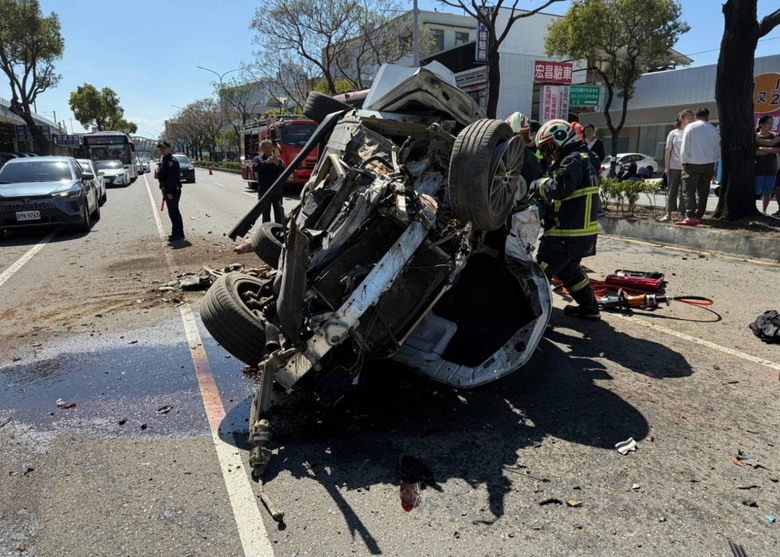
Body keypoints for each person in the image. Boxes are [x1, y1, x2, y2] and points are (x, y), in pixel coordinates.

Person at [531, 119, 602, 319]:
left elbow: (559, 189)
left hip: (566, 233)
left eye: (550, 147)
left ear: (562, 138)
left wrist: (539, 184)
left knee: (539, 273)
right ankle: (590, 308)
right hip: (581, 233)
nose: (549, 152)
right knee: (569, 271)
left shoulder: (572, 160)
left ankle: (531, 317)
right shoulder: (585, 158)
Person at [677, 107, 720, 226]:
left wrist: (683, 161)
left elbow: (685, 146)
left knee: (688, 190)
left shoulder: (691, 127)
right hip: (709, 164)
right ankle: (699, 215)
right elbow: (717, 149)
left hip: (693, 163)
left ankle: (690, 216)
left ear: (696, 116)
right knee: (703, 191)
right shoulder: (713, 129)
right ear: (707, 116)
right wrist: (714, 164)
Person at [157, 141, 184, 242]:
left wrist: (169, 192)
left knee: (173, 213)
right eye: (161, 149)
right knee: (174, 212)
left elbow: (172, 178)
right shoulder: (165, 160)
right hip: (168, 189)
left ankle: (176, 234)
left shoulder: (171, 161)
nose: (162, 150)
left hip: (172, 190)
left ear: (169, 148)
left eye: (164, 148)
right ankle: (179, 233)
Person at [505, 111, 543, 184]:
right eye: (514, 135)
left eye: (521, 136)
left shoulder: (495, 153)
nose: (517, 141)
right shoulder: (531, 159)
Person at [254, 139, 285, 224]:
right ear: (262, 149)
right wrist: (266, 162)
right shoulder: (258, 159)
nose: (268, 149)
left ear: (272, 148)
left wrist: (277, 164)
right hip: (264, 190)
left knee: (279, 214)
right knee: (266, 214)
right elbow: (255, 168)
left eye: (270, 147)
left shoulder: (278, 159)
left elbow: (284, 171)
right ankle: (266, 234)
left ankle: (279, 233)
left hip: (276, 190)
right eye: (266, 147)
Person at [754, 115, 777, 215]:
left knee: (768, 191)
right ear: (761, 125)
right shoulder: (755, 137)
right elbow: (754, 153)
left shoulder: (774, 137)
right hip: (757, 168)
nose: (771, 125)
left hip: (770, 167)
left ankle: (764, 211)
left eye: (772, 123)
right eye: (768, 123)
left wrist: (761, 149)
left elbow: (777, 150)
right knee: (755, 190)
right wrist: (770, 151)